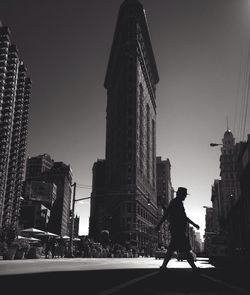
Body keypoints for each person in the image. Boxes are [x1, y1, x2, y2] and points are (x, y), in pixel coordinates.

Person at [155, 187, 200, 273]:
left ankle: (164, 266)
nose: (185, 197)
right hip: (177, 229)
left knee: (173, 249)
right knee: (185, 249)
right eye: (184, 195)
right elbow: (166, 214)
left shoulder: (178, 203)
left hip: (178, 229)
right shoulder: (175, 202)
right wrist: (159, 225)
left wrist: (194, 224)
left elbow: (183, 217)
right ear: (180, 194)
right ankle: (194, 268)